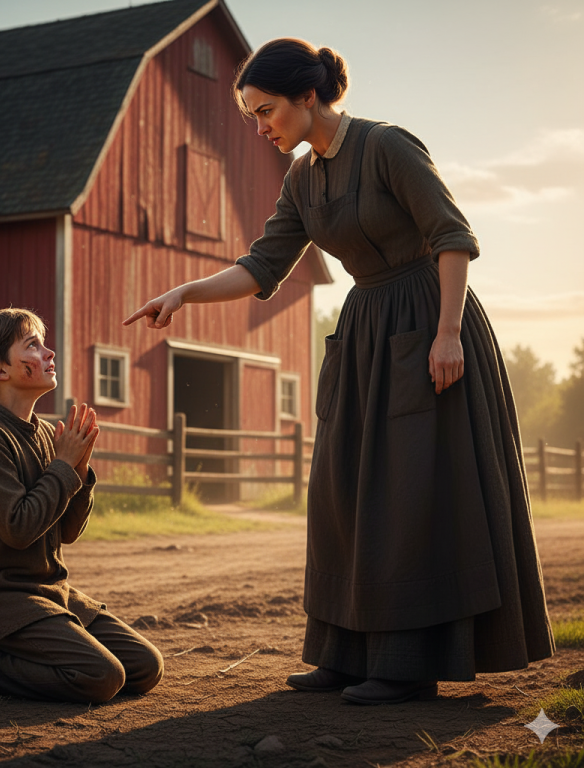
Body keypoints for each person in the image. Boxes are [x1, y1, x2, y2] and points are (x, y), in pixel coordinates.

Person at [124, 39, 553, 705]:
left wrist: (446, 335)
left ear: (309, 97)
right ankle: (343, 654)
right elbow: (262, 266)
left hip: (429, 318)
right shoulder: (301, 177)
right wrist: (185, 291)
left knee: (412, 499)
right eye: (252, 118)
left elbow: (452, 237)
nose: (261, 127)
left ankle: (408, 665)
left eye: (266, 112)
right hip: (364, 336)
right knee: (342, 494)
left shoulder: (388, 147)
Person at [0, 308, 163, 702]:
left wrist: (78, 471)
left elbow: (66, 532)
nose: (49, 353)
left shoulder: (48, 434)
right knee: (100, 677)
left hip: (46, 592)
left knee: (146, 666)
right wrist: (63, 467)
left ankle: (19, 651)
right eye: (33, 345)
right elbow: (19, 528)